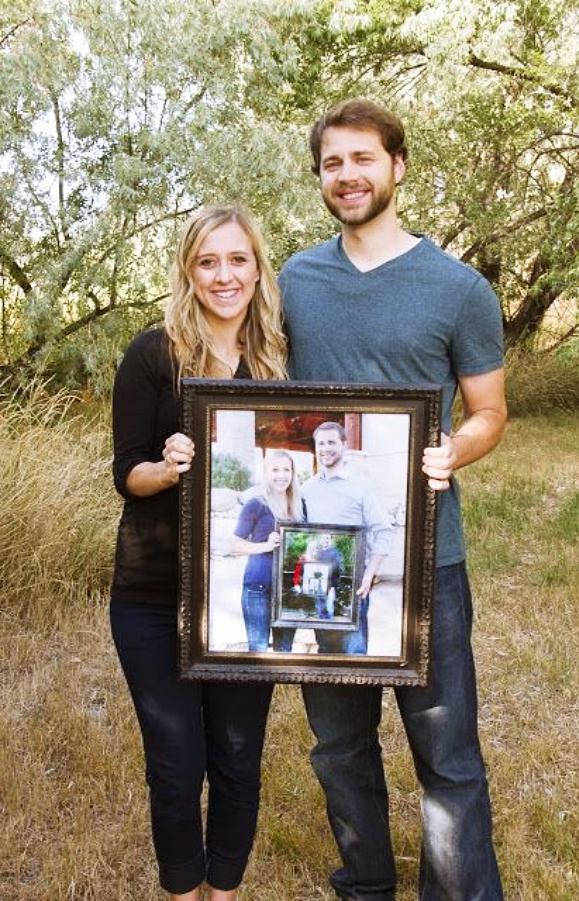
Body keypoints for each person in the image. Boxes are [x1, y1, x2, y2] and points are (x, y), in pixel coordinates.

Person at [280, 98, 507, 900]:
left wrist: (454, 449)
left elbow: (488, 412)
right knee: (339, 746)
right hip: (321, 558)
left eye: (363, 159)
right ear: (320, 177)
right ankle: (365, 886)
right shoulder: (294, 280)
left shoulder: (457, 288)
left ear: (397, 166)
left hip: (427, 557)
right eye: (333, 163)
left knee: (447, 754)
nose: (348, 175)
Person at [110, 202, 287, 901]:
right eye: (208, 260)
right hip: (153, 596)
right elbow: (126, 471)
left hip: (245, 595)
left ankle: (225, 893)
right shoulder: (152, 353)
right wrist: (169, 464)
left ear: (256, 268)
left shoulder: (277, 360)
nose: (224, 275)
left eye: (237, 259)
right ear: (189, 269)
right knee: (177, 763)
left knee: (239, 760)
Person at [302, 421, 393, 649]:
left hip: (353, 582)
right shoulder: (307, 489)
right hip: (319, 580)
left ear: (344, 444)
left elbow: (383, 531)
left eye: (331, 442)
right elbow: (302, 536)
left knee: (354, 651)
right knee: (326, 649)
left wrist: (369, 575)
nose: (325, 448)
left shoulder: (363, 486)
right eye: (320, 443)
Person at [231, 449, 304, 651]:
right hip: (258, 587)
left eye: (286, 470)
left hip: (289, 590)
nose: (281, 475)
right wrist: (265, 545)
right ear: (265, 473)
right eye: (275, 469)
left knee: (285, 650)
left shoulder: (299, 506)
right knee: (259, 650)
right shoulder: (256, 505)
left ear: (293, 473)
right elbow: (235, 545)